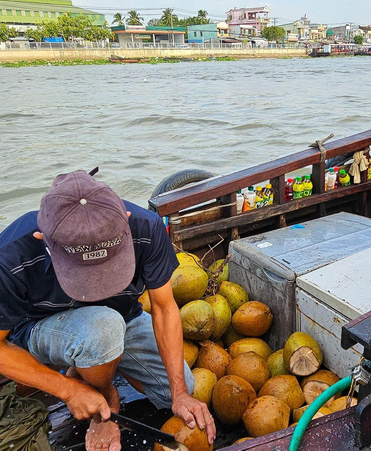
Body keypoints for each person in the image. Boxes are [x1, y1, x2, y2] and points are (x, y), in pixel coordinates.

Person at [0, 170, 215, 451]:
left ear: (125, 221)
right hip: (42, 327)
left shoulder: (146, 227)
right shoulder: (11, 254)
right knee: (103, 327)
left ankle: (93, 366)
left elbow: (163, 308)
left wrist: (180, 393)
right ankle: (104, 391)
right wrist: (68, 390)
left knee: (171, 391)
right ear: (43, 238)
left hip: (122, 319)